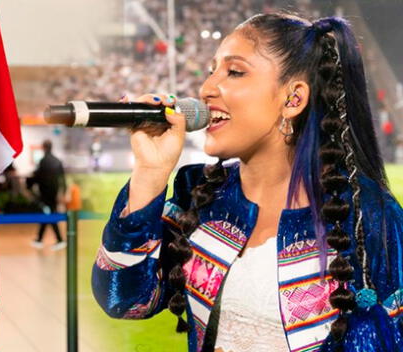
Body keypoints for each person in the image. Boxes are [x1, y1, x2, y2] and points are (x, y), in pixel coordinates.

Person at [92, 13, 403, 352]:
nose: (207, 88)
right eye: (212, 70)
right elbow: (123, 299)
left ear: (293, 99)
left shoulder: (368, 217)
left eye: (234, 72)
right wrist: (151, 173)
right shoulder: (196, 191)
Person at [27, 140, 67, 250]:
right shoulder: (57, 161)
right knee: (47, 213)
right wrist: (63, 192)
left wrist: (29, 186)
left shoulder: (42, 161)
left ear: (44, 147)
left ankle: (58, 239)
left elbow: (37, 177)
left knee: (48, 214)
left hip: (44, 193)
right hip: (54, 193)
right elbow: (62, 179)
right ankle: (40, 239)